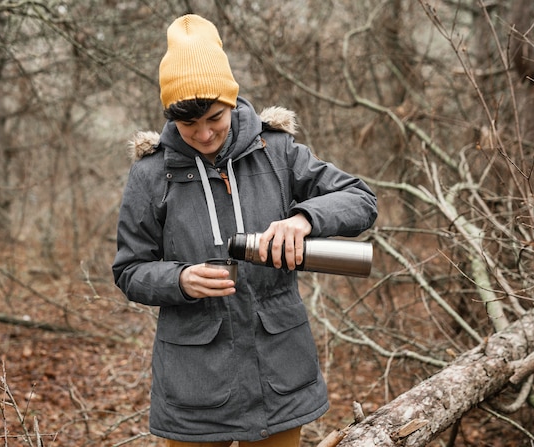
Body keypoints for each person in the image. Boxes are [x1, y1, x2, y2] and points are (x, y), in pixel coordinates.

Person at [112, 14, 377, 447]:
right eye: (187, 125)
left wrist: (304, 219)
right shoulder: (150, 173)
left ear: (232, 100)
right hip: (194, 385)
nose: (203, 134)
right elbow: (129, 270)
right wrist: (179, 279)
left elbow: (361, 199)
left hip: (280, 373)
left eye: (213, 117)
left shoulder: (276, 151)